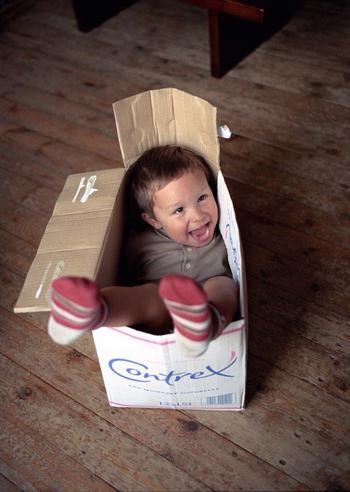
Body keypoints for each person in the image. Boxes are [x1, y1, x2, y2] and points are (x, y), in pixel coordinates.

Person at [48, 146, 239, 356]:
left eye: (202, 197)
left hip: (206, 305)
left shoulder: (225, 234)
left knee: (223, 285)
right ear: (154, 221)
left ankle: (205, 323)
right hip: (155, 316)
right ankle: (92, 310)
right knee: (150, 296)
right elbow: (123, 279)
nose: (197, 215)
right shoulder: (140, 243)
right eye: (179, 210)